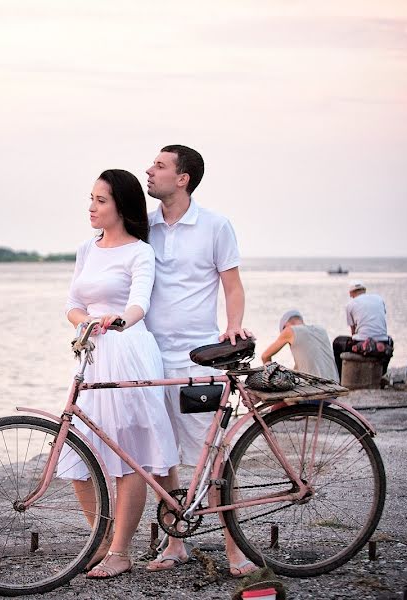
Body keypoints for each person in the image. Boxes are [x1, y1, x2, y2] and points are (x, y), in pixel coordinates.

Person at [142, 145, 258, 578]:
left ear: (183, 178)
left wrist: (234, 326)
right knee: (162, 455)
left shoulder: (215, 225)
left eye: (159, 166)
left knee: (213, 457)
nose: (149, 171)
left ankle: (235, 551)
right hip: (151, 356)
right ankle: (175, 545)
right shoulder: (145, 226)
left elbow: (232, 284)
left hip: (198, 360)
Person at [60, 169, 179, 580]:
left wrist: (118, 322)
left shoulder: (139, 252)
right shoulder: (86, 249)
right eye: (90, 198)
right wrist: (87, 324)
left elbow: (139, 304)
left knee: (129, 452)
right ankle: (101, 537)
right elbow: (72, 303)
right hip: (92, 352)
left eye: (100, 200)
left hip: (128, 350)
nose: (91, 207)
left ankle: (121, 551)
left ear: (121, 206)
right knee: (80, 449)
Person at [332, 282, 392, 376]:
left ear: (351, 293)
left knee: (337, 342)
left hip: (364, 343)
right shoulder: (379, 298)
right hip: (384, 342)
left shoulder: (350, 304)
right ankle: (382, 373)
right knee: (390, 339)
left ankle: (340, 377)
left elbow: (353, 331)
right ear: (364, 290)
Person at [260, 310, 339, 381]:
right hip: (334, 383)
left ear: (286, 325)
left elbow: (265, 356)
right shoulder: (321, 329)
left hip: (315, 387)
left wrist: (271, 376)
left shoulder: (290, 330)